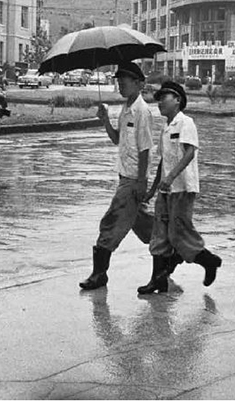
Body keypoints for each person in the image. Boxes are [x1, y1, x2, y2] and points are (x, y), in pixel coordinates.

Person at [137, 81, 222, 295]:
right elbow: (163, 162)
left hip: (183, 188)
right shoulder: (165, 128)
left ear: (177, 100)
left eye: (164, 98)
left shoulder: (186, 123)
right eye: (158, 99)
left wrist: (171, 177)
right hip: (166, 190)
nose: (160, 103)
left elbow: (189, 153)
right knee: (160, 234)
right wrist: (153, 188)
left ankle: (209, 261)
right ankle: (158, 280)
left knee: (179, 233)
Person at [79, 62, 154, 291]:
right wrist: (105, 121)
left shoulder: (142, 111)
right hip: (125, 177)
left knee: (110, 223)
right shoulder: (125, 108)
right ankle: (170, 251)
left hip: (132, 180)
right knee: (146, 227)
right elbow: (117, 139)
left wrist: (141, 183)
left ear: (139, 84)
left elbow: (145, 149)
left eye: (124, 82)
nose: (120, 85)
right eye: (118, 82)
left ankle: (99, 274)